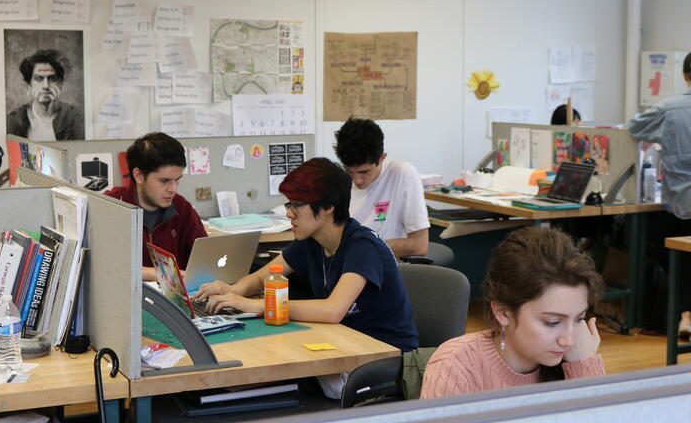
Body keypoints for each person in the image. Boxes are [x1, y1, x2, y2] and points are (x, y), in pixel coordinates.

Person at [194, 157, 419, 398]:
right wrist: (233, 291)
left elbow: (333, 310)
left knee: (258, 379)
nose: (289, 213)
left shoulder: (362, 246)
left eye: (297, 205)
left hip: (380, 365)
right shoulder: (311, 241)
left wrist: (256, 305)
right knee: (241, 379)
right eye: (288, 204)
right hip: (339, 348)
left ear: (328, 207)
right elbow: (261, 278)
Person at [420, 226, 606, 399]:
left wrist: (584, 368)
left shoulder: (576, 358)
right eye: (553, 322)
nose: (569, 341)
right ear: (503, 313)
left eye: (579, 319)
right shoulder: (456, 367)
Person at [629, 51, 691, 338]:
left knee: (676, 258)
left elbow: (634, 127)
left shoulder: (669, 109)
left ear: (684, 75)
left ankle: (686, 314)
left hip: (682, 202)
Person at [104, 132, 206, 282]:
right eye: (164, 181)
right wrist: (159, 274)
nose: (173, 189)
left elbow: (204, 259)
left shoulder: (182, 208)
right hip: (127, 299)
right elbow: (105, 265)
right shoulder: (112, 205)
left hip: (175, 301)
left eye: (177, 180)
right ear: (138, 175)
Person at [333, 117, 429, 259]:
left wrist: (361, 248)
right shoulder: (338, 178)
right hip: (345, 262)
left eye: (364, 172)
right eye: (349, 171)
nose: (356, 180)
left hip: (383, 266)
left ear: (382, 158)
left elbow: (419, 245)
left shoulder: (402, 174)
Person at [7, 49, 85, 141]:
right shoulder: (14, 120)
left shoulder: (74, 117)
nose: (46, 86)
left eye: (52, 79)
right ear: (29, 85)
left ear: (60, 84)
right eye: (39, 78)